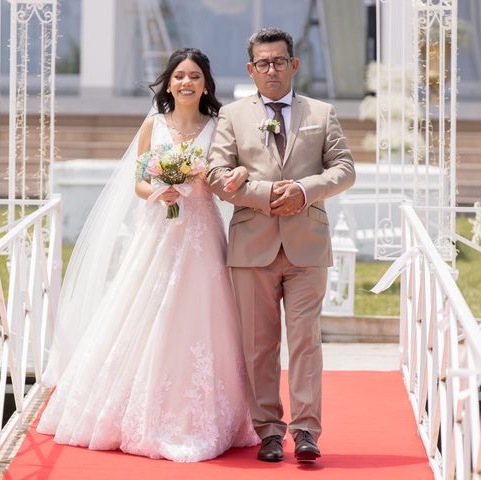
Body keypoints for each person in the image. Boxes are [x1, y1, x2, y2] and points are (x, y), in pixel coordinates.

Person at [37, 48, 259, 462]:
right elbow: (138, 182)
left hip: (202, 233)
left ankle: (206, 418)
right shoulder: (152, 125)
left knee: (203, 314)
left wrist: (218, 178)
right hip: (158, 229)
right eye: (179, 76)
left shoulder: (219, 125)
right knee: (142, 308)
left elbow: (227, 175)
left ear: (206, 83)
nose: (186, 83)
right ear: (168, 82)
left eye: (194, 76)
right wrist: (162, 190)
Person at [207, 27, 356, 463]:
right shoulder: (231, 117)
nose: (272, 69)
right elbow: (217, 175)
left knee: (306, 340)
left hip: (307, 244)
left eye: (279, 61)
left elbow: (345, 169)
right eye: (263, 63)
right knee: (259, 344)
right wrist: (264, 194)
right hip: (252, 245)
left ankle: (307, 430)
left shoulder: (321, 113)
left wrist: (305, 190)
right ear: (251, 70)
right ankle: (269, 430)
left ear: (294, 64)